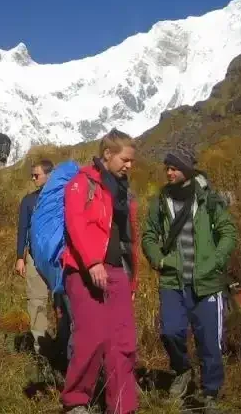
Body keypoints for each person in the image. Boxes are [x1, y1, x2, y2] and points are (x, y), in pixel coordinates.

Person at [141, 145, 237, 413]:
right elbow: (149, 234)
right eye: (167, 168)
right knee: (170, 331)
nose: (169, 173)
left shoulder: (207, 198)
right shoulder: (161, 200)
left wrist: (215, 262)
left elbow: (228, 232)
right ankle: (182, 371)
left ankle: (210, 393)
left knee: (209, 341)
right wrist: (158, 259)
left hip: (206, 283)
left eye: (174, 168)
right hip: (173, 281)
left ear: (186, 169)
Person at [60, 129, 140, 414]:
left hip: (118, 271)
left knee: (123, 343)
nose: (129, 165)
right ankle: (76, 401)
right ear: (108, 154)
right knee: (92, 337)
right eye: (125, 159)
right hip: (84, 271)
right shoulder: (82, 184)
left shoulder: (124, 192)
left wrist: (133, 278)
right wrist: (93, 262)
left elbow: (130, 237)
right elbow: (75, 223)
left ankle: (122, 406)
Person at [14, 159, 54, 354]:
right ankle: (41, 347)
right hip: (34, 257)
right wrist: (20, 257)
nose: (33, 179)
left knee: (61, 301)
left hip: (58, 258)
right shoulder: (28, 200)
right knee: (36, 300)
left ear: (49, 175)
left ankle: (64, 344)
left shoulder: (63, 198)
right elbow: (22, 229)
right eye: (32, 175)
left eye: (36, 175)